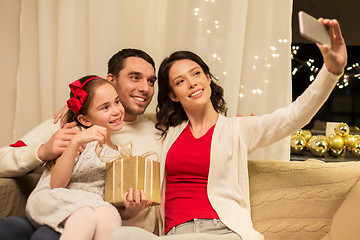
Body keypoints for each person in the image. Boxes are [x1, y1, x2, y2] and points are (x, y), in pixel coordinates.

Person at [110, 18, 347, 240]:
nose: (192, 82)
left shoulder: (238, 130)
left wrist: (331, 72)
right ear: (173, 95)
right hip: (176, 233)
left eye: (196, 74)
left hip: (223, 231)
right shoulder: (163, 130)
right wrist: (73, 118)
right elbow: (113, 118)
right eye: (180, 81)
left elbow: (293, 117)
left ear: (208, 78)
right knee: (121, 235)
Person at [0, 49, 162, 240]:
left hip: (107, 218)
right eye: (135, 77)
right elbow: (6, 159)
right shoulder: (69, 124)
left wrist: (131, 210)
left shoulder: (159, 127)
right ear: (110, 80)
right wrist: (44, 151)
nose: (145, 88)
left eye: (151, 81)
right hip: (59, 209)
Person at [26, 76, 129, 239]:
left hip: (94, 203)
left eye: (117, 102)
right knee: (84, 214)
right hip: (52, 198)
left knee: (109, 215)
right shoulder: (75, 137)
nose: (116, 110)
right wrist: (75, 143)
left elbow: (113, 199)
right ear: (85, 120)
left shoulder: (119, 153)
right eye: (105, 107)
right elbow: (57, 184)